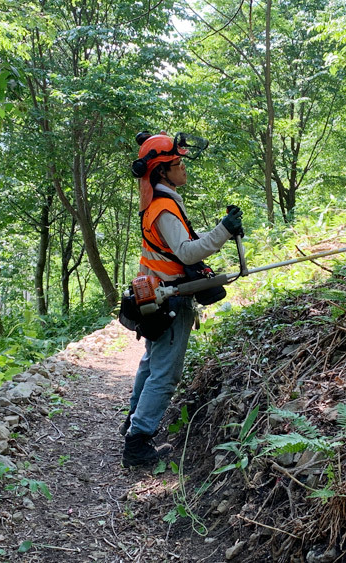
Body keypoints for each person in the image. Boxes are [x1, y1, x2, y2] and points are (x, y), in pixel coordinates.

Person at [121, 131, 243, 468]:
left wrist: (222, 229)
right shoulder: (163, 207)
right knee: (165, 372)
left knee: (150, 363)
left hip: (157, 292)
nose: (184, 169)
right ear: (161, 171)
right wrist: (223, 231)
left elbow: (183, 243)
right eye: (177, 164)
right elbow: (188, 253)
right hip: (169, 298)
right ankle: (138, 442)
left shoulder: (162, 201)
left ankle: (133, 420)